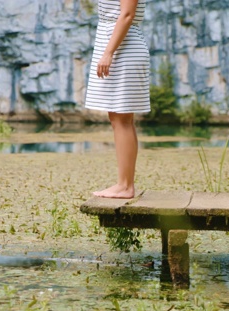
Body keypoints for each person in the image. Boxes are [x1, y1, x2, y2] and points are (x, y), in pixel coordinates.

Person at [85, 0, 150, 199]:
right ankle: (124, 183)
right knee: (119, 119)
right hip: (118, 47)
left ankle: (125, 186)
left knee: (121, 120)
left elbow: (127, 14)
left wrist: (108, 53)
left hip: (124, 50)